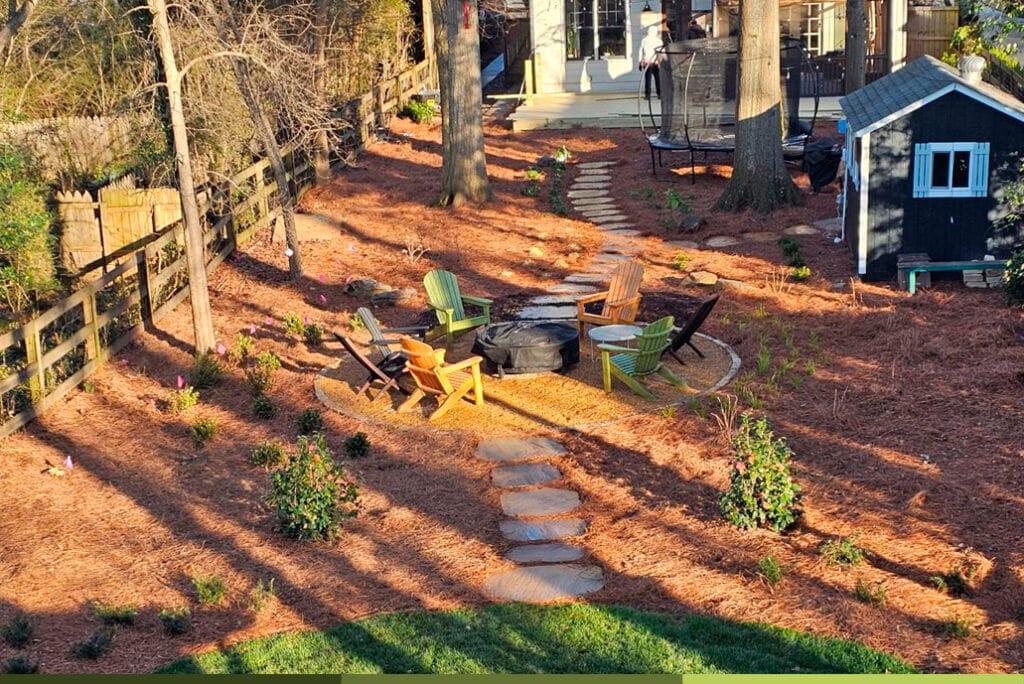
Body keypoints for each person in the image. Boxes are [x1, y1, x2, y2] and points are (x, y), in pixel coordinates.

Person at [638, 26, 663, 100]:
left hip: (647, 62)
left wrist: (640, 62)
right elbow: (661, 52)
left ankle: (647, 95)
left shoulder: (644, 40)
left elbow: (641, 51)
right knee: (658, 79)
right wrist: (661, 62)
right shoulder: (658, 41)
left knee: (648, 79)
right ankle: (659, 94)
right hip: (655, 62)